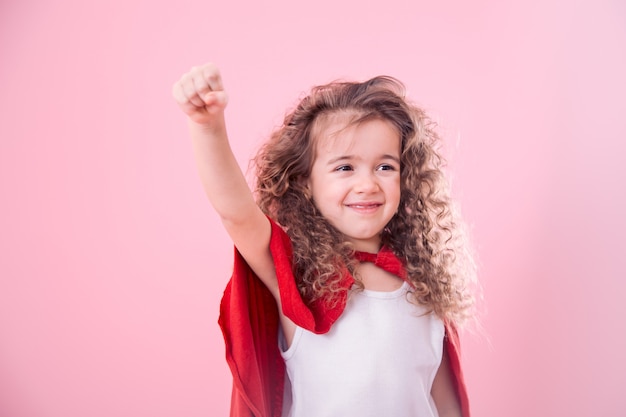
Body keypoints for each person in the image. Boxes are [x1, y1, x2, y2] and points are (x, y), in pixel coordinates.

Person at [172, 63, 476, 417]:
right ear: (305, 182)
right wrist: (207, 126)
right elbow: (236, 213)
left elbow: (445, 403)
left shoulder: (424, 285)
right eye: (345, 167)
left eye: (385, 167)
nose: (367, 184)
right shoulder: (295, 274)